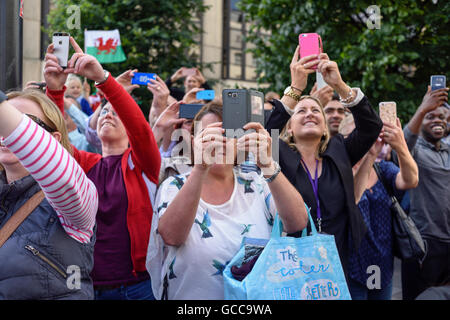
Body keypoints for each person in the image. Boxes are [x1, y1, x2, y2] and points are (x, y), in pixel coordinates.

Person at [146, 102, 309, 299]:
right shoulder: (174, 186)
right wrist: (200, 168)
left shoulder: (258, 184)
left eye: (227, 134)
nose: (219, 142)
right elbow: (172, 237)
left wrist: (268, 165)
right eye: (209, 135)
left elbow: (298, 222)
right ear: (192, 141)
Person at [43, 37, 161, 300]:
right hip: (87, 286)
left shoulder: (142, 162)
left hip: (138, 286)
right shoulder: (84, 163)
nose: (108, 114)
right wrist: (54, 90)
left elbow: (141, 129)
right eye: (104, 111)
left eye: (116, 113)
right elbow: (50, 145)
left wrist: (104, 79)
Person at [265, 47, 383, 277]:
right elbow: (260, 133)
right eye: (301, 111)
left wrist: (339, 85)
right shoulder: (276, 152)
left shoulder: (339, 149)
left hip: (337, 261)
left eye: (315, 110)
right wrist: (296, 88)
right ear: (289, 126)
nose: (310, 113)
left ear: (324, 125)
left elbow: (371, 127)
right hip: (289, 265)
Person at [0, 89, 98, 299]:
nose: (7, 132)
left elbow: (61, 176)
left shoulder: (77, 199)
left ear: (53, 139)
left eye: (24, 123)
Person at [347, 116, 418, 300]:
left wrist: (400, 144)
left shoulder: (382, 169)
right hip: (351, 266)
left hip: (381, 264)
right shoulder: (339, 171)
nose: (361, 139)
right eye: (355, 134)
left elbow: (410, 180)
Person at [396, 85, 450, 300]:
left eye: (444, 117)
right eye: (431, 117)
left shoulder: (447, 149)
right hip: (423, 242)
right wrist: (423, 108)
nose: (438, 120)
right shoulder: (414, 150)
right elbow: (403, 141)